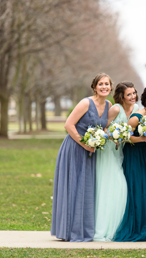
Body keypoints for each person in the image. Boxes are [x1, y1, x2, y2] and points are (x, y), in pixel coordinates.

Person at [51, 73, 111, 242]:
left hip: (91, 151)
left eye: (107, 84)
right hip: (74, 148)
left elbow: (104, 128)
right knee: (73, 186)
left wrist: (102, 139)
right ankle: (69, 230)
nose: (104, 87)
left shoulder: (108, 105)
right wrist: (84, 143)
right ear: (94, 87)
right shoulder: (85, 103)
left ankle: (84, 228)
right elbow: (68, 125)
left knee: (86, 188)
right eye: (101, 84)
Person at [114, 84, 146, 242]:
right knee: (140, 189)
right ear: (145, 100)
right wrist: (141, 138)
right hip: (135, 154)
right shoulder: (137, 116)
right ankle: (139, 227)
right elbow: (124, 136)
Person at [92, 81, 135, 241]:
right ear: (122, 96)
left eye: (134, 93)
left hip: (120, 152)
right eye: (128, 94)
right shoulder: (116, 108)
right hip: (109, 151)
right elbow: (103, 128)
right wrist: (114, 136)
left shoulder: (136, 109)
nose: (132, 96)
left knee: (116, 188)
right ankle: (105, 228)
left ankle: (117, 226)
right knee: (115, 186)